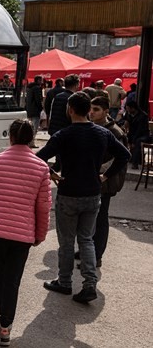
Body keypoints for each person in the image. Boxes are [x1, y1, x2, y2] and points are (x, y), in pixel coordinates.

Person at [37, 92, 130, 304]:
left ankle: (65, 281)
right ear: (88, 110)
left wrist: (52, 173)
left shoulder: (63, 135)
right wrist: (105, 176)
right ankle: (89, 283)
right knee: (87, 239)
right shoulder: (102, 133)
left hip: (69, 192)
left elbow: (39, 157)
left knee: (67, 241)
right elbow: (125, 155)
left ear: (70, 110)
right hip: (93, 192)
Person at [0, 119, 52, 346]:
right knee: (13, 279)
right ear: (31, 138)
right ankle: (5, 327)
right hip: (23, 234)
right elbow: (43, 205)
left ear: (9, 136)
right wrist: (40, 233)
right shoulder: (41, 167)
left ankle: (0, 311)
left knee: (0, 273)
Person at [77, 97, 128, 268]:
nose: (92, 112)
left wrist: (99, 171)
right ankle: (87, 250)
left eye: (96, 109)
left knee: (100, 218)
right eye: (91, 109)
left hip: (105, 181)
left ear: (106, 111)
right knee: (87, 217)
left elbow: (119, 158)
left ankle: (96, 256)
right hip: (90, 180)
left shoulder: (114, 132)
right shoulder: (91, 127)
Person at [123, 100, 151, 169]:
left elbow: (140, 130)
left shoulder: (142, 116)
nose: (128, 111)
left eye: (128, 109)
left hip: (143, 135)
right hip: (132, 134)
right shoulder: (128, 114)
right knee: (124, 138)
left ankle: (135, 163)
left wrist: (133, 141)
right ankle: (126, 159)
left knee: (138, 141)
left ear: (133, 108)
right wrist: (124, 122)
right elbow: (123, 120)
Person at [26, 75, 44, 147]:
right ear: (38, 80)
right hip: (35, 110)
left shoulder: (30, 88)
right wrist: (40, 108)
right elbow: (38, 99)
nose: (42, 81)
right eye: (41, 80)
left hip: (29, 110)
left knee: (29, 127)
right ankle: (31, 143)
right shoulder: (37, 88)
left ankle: (28, 142)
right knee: (34, 127)